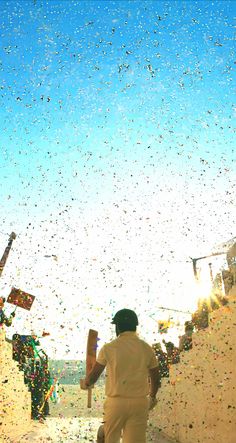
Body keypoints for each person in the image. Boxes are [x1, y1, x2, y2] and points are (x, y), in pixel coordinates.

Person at [80, 308, 160, 443]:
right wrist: (152, 397)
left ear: (117, 327)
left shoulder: (109, 348)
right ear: (135, 326)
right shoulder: (146, 348)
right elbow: (155, 378)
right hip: (139, 403)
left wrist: (86, 383)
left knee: (110, 440)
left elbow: (93, 376)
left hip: (116, 404)